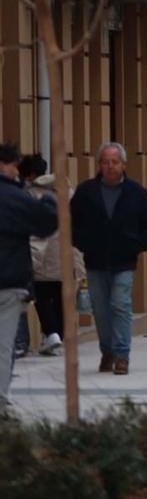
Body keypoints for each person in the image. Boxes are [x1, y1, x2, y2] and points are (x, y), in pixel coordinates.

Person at [70, 142, 147, 377]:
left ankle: (122, 355)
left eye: (114, 162)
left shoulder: (136, 192)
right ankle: (107, 350)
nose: (110, 166)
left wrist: (137, 246)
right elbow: (71, 222)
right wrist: (82, 243)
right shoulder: (86, 192)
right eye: (105, 162)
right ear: (99, 165)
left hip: (124, 259)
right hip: (95, 258)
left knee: (120, 304)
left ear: (123, 165)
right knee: (100, 309)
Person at [0, 143, 58, 408]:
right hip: (9, 281)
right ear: (5, 165)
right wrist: (47, 198)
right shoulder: (16, 197)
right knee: (3, 345)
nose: (16, 172)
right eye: (14, 166)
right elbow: (46, 223)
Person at [20, 155, 72, 357]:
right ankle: (58, 333)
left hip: (42, 256)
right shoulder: (66, 191)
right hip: (65, 255)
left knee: (42, 297)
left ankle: (51, 334)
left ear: (31, 175)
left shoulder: (32, 195)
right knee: (60, 296)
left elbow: (32, 230)